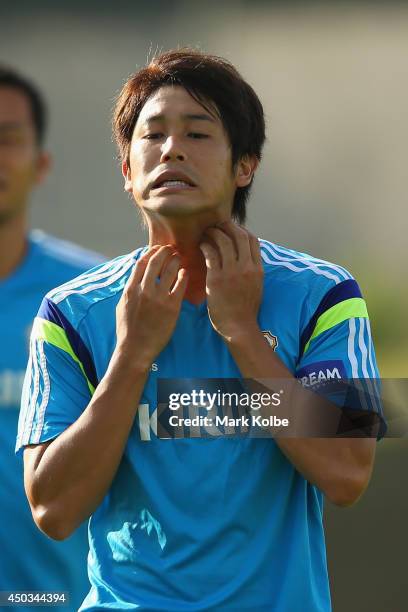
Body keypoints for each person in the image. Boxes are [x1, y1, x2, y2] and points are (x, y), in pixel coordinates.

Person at [17, 49, 385, 611]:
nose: (172, 148)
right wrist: (133, 354)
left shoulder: (325, 295)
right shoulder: (70, 313)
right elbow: (53, 509)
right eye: (153, 135)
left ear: (246, 165)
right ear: (126, 171)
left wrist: (241, 332)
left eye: (198, 132)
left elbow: (347, 472)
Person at [0, 65, 105, 610]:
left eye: (8, 138)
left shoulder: (93, 301)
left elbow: (179, 408)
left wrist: (326, 411)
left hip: (58, 601)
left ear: (41, 164)